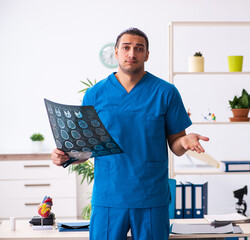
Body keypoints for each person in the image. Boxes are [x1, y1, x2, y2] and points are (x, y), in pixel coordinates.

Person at [51, 27, 209, 240]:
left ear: (147, 55)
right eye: (126, 48)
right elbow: (85, 150)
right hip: (109, 196)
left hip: (151, 197)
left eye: (138, 48)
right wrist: (65, 156)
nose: (132, 54)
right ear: (116, 52)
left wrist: (185, 140)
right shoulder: (95, 94)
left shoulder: (165, 92)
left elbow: (176, 146)